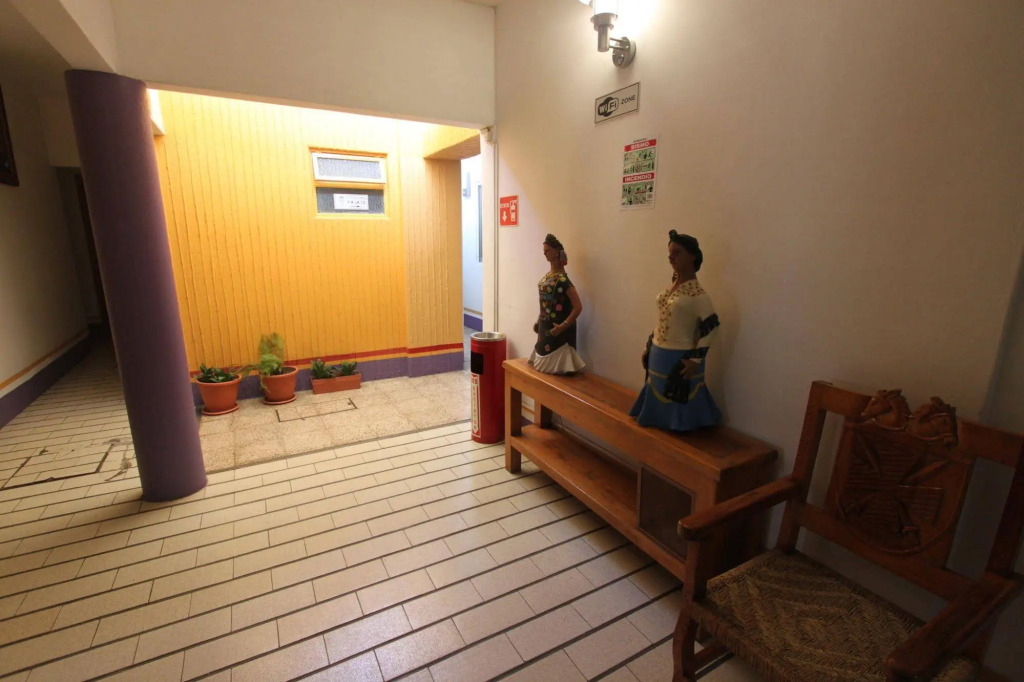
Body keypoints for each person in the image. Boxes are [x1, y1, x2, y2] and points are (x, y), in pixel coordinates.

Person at [630, 231, 722, 431]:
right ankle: (656, 416)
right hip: (659, 353)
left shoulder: (698, 295)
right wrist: (650, 345)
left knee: (679, 392)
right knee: (657, 386)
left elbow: (712, 328)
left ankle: (681, 423)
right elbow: (663, 319)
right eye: (670, 253)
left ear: (692, 256)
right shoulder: (670, 289)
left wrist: (695, 360)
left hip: (680, 356)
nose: (671, 257)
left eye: (677, 253)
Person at [529, 234, 585, 374]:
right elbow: (545, 304)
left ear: (556, 252)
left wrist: (563, 326)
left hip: (558, 330)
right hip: (545, 327)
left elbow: (578, 307)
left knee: (558, 365)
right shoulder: (549, 277)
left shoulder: (563, 280)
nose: (545, 254)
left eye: (547, 250)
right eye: (544, 251)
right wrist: (538, 321)